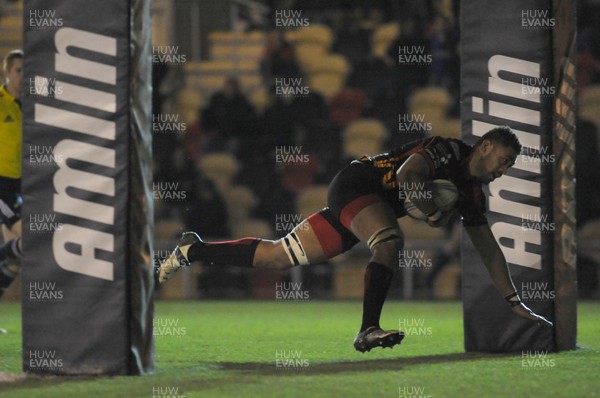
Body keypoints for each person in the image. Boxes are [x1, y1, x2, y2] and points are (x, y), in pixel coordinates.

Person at [157, 126, 553, 352]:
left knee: (278, 257)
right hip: (357, 184)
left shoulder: (471, 194)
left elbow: (488, 249)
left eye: (510, 166)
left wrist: (514, 301)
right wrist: (429, 209)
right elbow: (406, 176)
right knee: (389, 240)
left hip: (367, 204)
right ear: (485, 146)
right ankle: (368, 328)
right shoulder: (447, 150)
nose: (504, 169)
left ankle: (192, 249)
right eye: (503, 160)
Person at [0, 49, 23, 333]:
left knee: (16, 260)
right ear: (6, 72)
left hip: (18, 187)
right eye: (18, 71)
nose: (22, 77)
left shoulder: (29, 106)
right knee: (27, 240)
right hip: (0, 186)